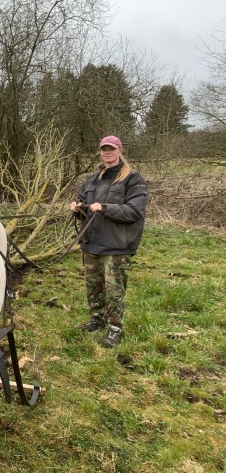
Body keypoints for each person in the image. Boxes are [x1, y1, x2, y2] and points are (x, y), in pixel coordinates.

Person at [70, 135, 148, 347]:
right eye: (104, 149)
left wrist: (105, 207)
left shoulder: (133, 179)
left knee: (114, 289)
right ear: (100, 152)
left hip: (116, 245)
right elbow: (84, 207)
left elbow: (135, 211)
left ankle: (114, 328)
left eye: (111, 149)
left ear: (119, 150)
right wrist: (77, 208)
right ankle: (96, 320)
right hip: (91, 242)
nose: (107, 152)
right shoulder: (91, 180)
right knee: (93, 285)